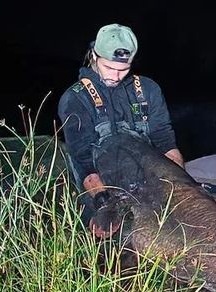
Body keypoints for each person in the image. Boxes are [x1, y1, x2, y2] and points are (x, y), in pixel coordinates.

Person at [58, 23, 184, 238]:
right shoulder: (75, 98)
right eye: (109, 68)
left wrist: (182, 187)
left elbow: (165, 140)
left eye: (123, 69)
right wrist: (102, 200)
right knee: (107, 234)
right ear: (94, 55)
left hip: (148, 181)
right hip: (98, 184)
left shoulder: (148, 89)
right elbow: (82, 159)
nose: (116, 76)